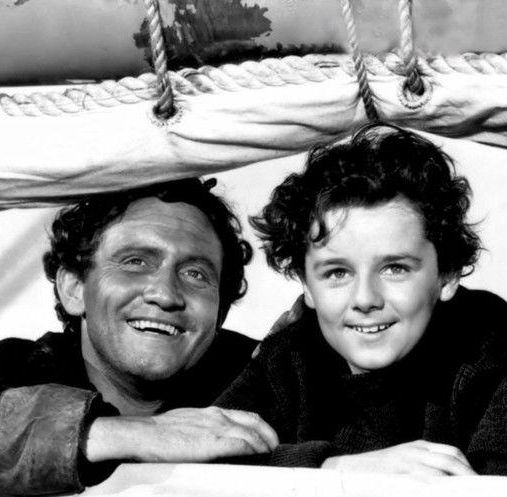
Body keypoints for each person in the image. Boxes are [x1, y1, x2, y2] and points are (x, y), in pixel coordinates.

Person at [0, 178, 278, 497]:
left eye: (195, 274)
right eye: (135, 262)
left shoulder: (265, 372)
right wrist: (129, 434)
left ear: (219, 310)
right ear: (74, 288)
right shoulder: (21, 367)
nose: (165, 294)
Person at [216, 124, 507, 476]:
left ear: (447, 275)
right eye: (338, 273)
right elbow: (208, 460)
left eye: (395, 268)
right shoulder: (288, 357)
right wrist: (336, 468)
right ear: (307, 285)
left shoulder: (490, 343)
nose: (365, 299)